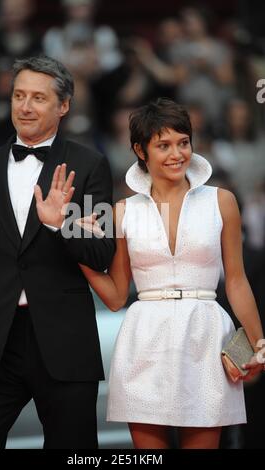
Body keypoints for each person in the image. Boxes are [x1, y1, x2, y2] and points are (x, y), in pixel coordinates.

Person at [78, 98, 264, 449]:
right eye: (163, 145)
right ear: (140, 150)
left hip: (206, 337)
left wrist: (258, 343)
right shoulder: (122, 212)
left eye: (183, 142)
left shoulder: (221, 201)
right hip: (144, 341)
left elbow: (237, 281)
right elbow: (117, 295)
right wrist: (81, 254)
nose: (177, 154)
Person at [0, 55, 115, 449]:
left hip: (66, 340)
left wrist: (57, 223)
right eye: (18, 96)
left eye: (38, 98)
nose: (25, 107)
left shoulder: (90, 165)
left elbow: (103, 254)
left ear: (63, 106)